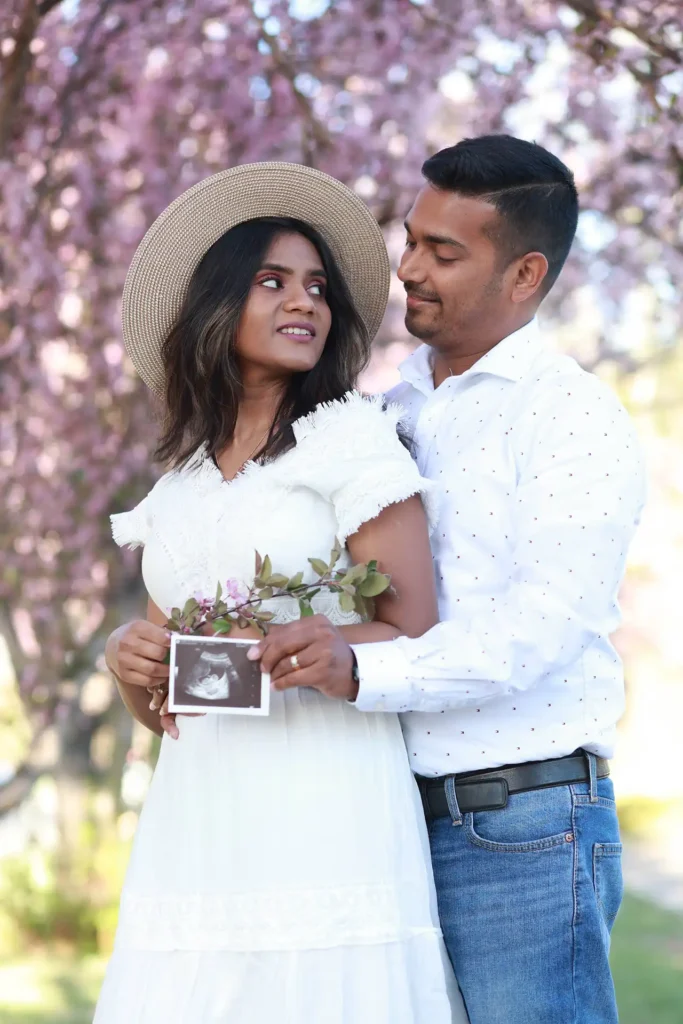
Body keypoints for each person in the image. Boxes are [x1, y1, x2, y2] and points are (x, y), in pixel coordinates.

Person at [249, 136, 646, 1024]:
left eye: (443, 252)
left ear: (523, 274)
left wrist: (363, 668)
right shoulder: (390, 412)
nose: (407, 270)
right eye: (411, 239)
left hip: (520, 824)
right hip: (380, 817)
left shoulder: (570, 415)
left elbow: (536, 629)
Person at [96, 163, 466, 1023]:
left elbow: (414, 627)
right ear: (213, 307)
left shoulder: (349, 441)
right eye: (272, 283)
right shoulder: (180, 483)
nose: (304, 302)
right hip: (199, 811)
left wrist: (333, 649)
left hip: (324, 793)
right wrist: (130, 664)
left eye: (316, 288)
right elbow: (169, 703)